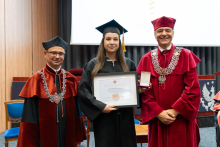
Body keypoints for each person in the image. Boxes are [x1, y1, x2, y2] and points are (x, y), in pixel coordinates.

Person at [137, 16, 201, 147]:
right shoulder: (146, 59)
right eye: (160, 31)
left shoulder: (186, 55)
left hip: (181, 118)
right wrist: (159, 112)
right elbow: (144, 91)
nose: (164, 34)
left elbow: (192, 89)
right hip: (158, 119)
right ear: (154, 34)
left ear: (173, 33)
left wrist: (174, 111)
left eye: (168, 30)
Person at [78, 20, 140, 147]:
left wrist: (139, 91)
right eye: (108, 39)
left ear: (120, 42)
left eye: (115, 39)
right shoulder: (93, 65)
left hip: (125, 117)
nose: (112, 42)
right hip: (104, 118)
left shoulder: (129, 64)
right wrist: (101, 106)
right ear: (103, 41)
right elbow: (84, 90)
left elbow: (133, 90)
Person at [17, 36, 86, 147]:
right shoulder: (35, 80)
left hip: (67, 132)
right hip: (42, 135)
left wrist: (77, 138)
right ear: (45, 54)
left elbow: (77, 113)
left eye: (61, 53)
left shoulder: (71, 79)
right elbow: (29, 116)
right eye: (53, 53)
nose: (57, 56)